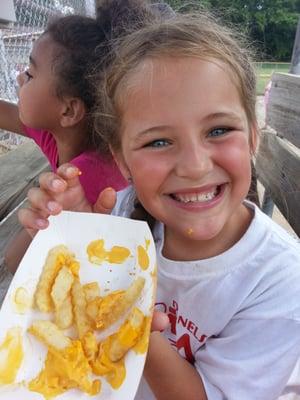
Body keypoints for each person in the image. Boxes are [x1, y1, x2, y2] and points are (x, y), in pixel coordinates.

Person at [19, 10, 300, 400]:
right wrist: (68, 238)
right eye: (158, 142)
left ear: (253, 135)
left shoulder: (280, 281)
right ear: (121, 160)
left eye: (218, 130)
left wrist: (129, 324)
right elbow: (28, 288)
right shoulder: (119, 213)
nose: (195, 165)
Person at [0, 0, 162, 273]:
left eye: (29, 73)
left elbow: (16, 261)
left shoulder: (90, 178)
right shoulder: (62, 134)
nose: (19, 80)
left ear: (69, 110)